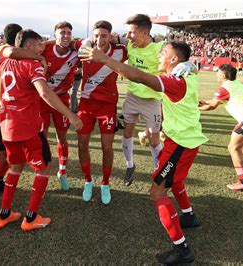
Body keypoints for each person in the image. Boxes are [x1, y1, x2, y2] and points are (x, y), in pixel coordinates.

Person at [80, 41, 205, 264]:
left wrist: (106, 60)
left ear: (175, 60)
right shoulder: (186, 73)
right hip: (181, 140)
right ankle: (189, 216)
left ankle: (182, 250)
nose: (159, 56)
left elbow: (139, 77)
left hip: (181, 144)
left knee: (157, 191)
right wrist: (191, 65)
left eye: (164, 53)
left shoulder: (175, 80)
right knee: (174, 181)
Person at [0, 29, 82, 231]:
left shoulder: (2, 62)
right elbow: (45, 92)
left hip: (7, 127)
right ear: (28, 46)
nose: (42, 47)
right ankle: (30, 218)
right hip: (27, 127)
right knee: (44, 167)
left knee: (15, 167)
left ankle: (4, 215)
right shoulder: (32, 64)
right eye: (38, 44)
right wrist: (70, 114)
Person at [0, 23, 47, 213]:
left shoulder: (0, 50)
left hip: (3, 111)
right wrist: (39, 57)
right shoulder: (9, 51)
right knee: (3, 158)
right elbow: (13, 52)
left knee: (12, 157)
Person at [75, 20, 127, 204]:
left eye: (103, 36)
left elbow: (141, 43)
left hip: (107, 108)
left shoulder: (120, 51)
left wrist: (119, 37)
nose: (99, 39)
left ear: (110, 36)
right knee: (82, 145)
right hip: (86, 106)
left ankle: (105, 183)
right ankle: (88, 180)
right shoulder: (83, 49)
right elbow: (60, 41)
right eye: (96, 35)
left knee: (107, 147)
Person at [198, 64, 243, 191]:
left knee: (233, 147)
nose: (216, 74)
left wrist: (196, 109)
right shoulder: (235, 84)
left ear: (223, 75)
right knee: (241, 144)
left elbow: (212, 106)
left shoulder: (224, 88)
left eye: (217, 72)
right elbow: (216, 100)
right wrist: (205, 101)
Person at [116, 14, 165, 186]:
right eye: (127, 33)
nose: (127, 37)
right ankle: (130, 166)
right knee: (127, 132)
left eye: (131, 33)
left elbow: (180, 58)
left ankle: (158, 172)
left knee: (153, 141)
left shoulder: (160, 48)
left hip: (152, 101)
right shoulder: (129, 44)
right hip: (132, 97)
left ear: (145, 32)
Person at [38, 21, 80, 191]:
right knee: (43, 137)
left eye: (68, 33)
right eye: (62, 32)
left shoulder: (76, 52)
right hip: (42, 100)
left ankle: (62, 171)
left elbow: (89, 45)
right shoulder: (44, 50)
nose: (65, 36)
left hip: (62, 101)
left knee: (62, 138)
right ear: (55, 34)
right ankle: (44, 170)